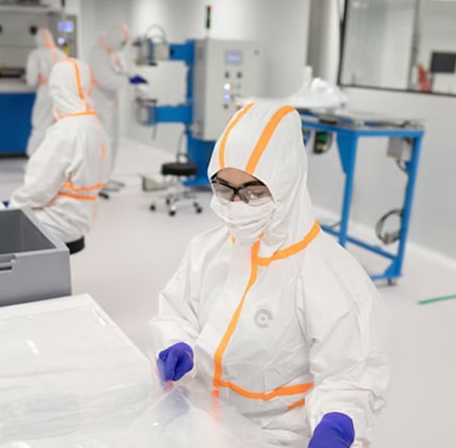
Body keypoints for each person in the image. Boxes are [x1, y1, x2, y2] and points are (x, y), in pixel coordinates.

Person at [151, 103, 390, 447]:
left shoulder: (329, 275)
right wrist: (177, 342)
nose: (235, 205)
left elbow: (349, 378)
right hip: (199, 420)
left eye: (253, 191)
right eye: (223, 187)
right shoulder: (208, 249)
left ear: (287, 184)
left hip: (276, 436)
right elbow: (176, 310)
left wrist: (338, 421)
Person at [10, 58, 109, 252]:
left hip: (57, 220)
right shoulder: (95, 125)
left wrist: (12, 208)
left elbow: (38, 190)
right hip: (83, 215)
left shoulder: (66, 131)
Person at [88, 23, 148, 180]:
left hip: (111, 103)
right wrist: (128, 81)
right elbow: (105, 79)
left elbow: (121, 71)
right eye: (122, 42)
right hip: (99, 103)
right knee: (102, 142)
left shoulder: (113, 54)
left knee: (113, 141)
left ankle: (106, 177)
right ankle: (97, 180)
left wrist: (132, 78)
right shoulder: (97, 53)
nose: (122, 46)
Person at [25, 27, 67, 156]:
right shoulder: (61, 54)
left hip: (45, 92)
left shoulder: (36, 54)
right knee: (56, 126)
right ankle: (51, 159)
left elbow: (31, 80)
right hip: (61, 94)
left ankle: (34, 158)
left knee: (40, 124)